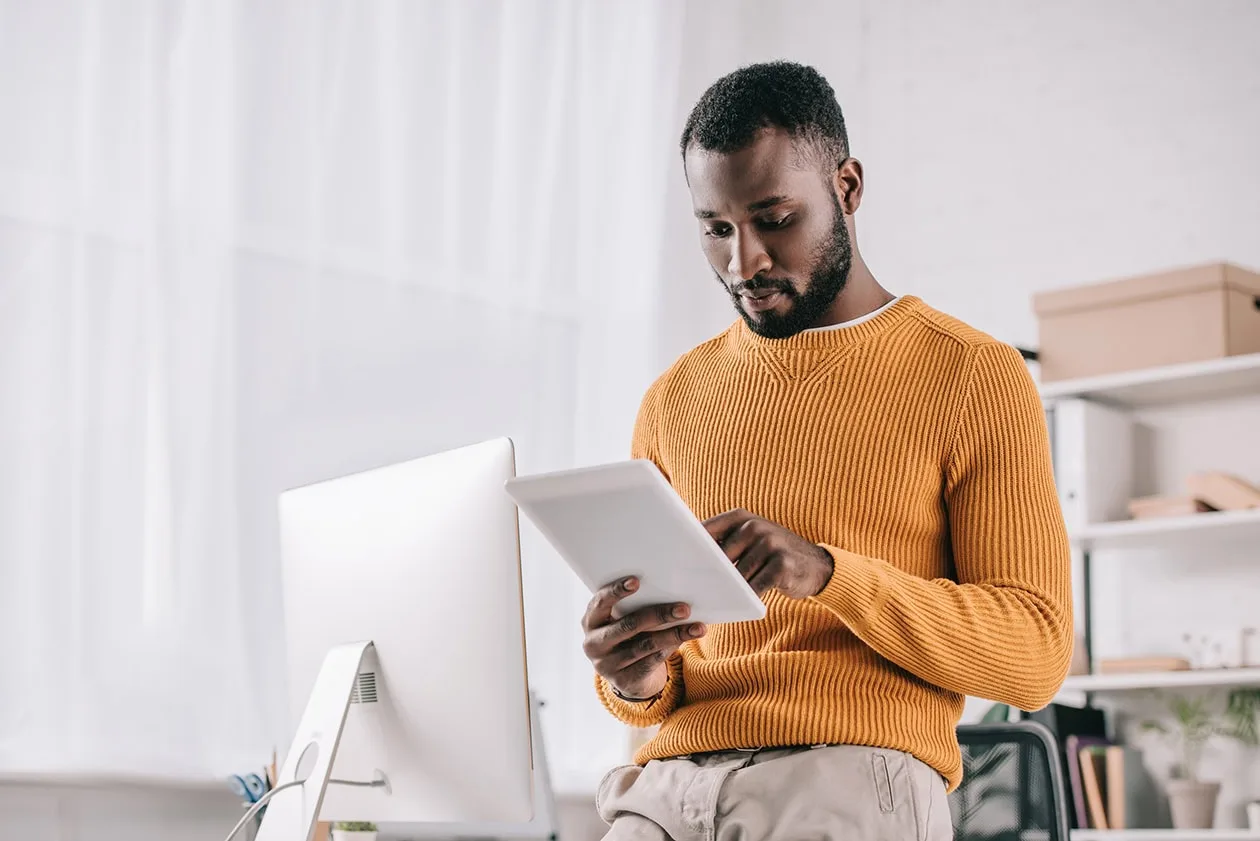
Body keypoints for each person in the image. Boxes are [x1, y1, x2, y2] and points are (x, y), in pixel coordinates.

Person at [580, 61, 1073, 840]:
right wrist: (636, 675)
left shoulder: (972, 373)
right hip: (666, 790)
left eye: (774, 218)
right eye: (716, 229)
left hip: (846, 777)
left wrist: (828, 573)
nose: (744, 264)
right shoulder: (673, 398)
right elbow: (658, 685)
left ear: (846, 187)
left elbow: (1034, 652)